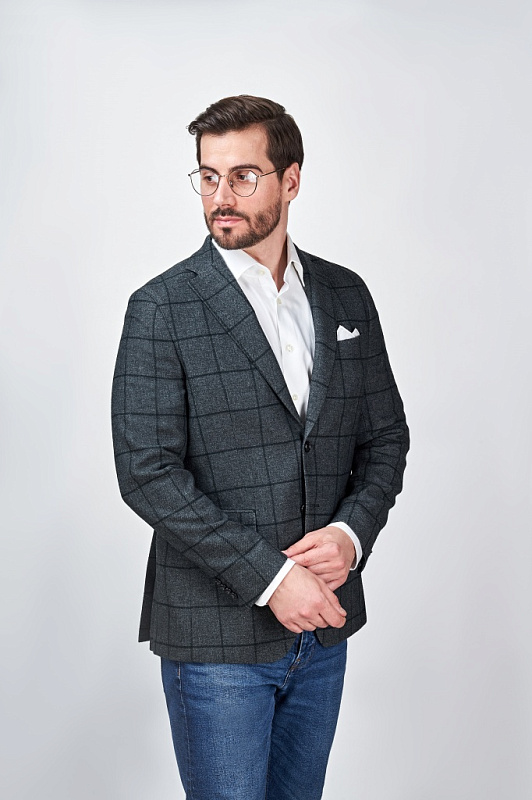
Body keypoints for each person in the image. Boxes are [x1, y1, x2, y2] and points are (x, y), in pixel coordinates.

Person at [112, 94, 409, 800]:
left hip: (324, 629)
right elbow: (148, 473)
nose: (221, 196)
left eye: (243, 176)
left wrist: (350, 534)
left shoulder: (345, 294)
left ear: (291, 180)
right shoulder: (161, 307)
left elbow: (385, 438)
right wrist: (274, 579)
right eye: (208, 176)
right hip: (216, 638)